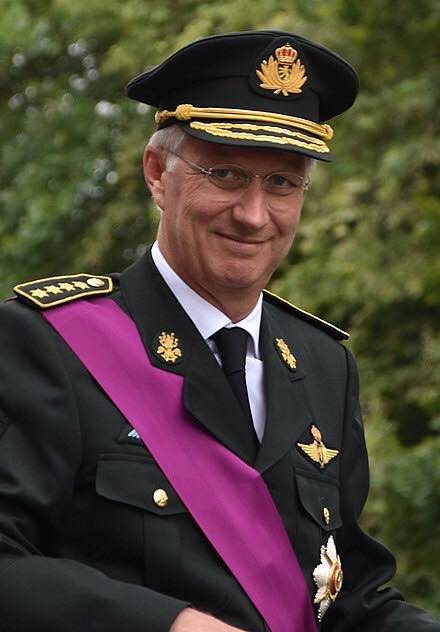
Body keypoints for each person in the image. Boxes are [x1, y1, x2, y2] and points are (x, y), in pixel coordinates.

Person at [0, 30, 438, 632]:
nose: (254, 215)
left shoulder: (323, 364)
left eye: (282, 183)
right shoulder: (48, 342)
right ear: (157, 173)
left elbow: (348, 598)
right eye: (226, 174)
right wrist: (171, 625)